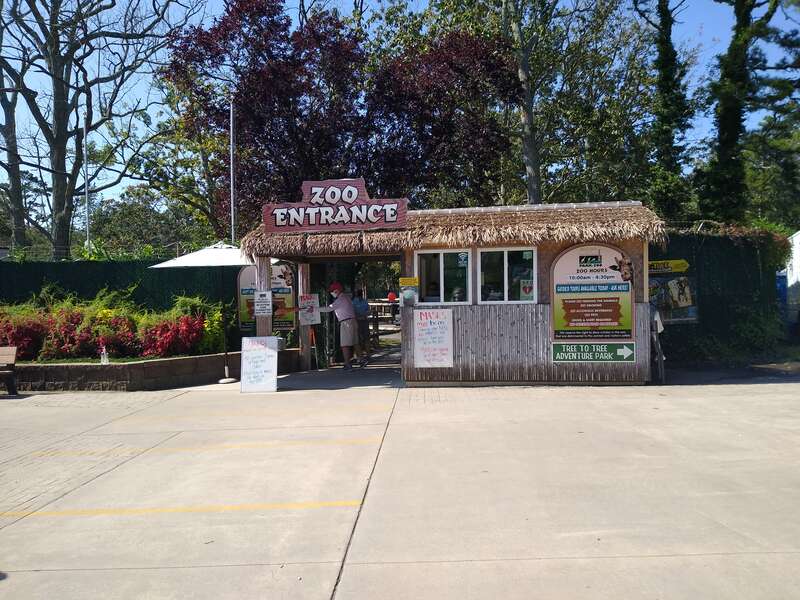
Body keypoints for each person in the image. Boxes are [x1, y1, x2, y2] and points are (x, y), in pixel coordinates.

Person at [352, 289, 371, 363]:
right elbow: (368, 311)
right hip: (363, 320)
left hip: (358, 321)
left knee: (359, 339)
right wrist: (364, 314)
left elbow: (353, 312)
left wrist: (359, 315)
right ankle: (367, 355)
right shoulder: (364, 301)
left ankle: (359, 356)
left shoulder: (353, 302)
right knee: (366, 338)